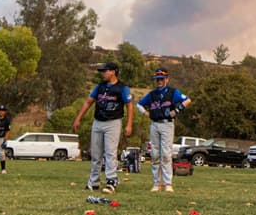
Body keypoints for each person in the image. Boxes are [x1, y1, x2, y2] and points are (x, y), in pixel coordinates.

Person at [72, 62, 133, 194]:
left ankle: (111, 181)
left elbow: (129, 105)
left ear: (113, 72)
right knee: (96, 153)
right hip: (98, 122)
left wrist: (129, 124)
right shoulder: (100, 87)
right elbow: (89, 102)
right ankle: (94, 182)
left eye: (105, 71)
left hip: (113, 122)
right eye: (102, 71)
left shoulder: (122, 88)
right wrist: (78, 118)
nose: (103, 73)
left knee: (110, 152)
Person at [137, 68, 192, 193]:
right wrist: (145, 112)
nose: (159, 81)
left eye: (162, 79)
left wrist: (176, 110)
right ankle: (156, 183)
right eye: (157, 79)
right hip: (155, 124)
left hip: (167, 124)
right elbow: (139, 104)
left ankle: (168, 183)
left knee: (166, 154)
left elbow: (187, 100)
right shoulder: (152, 94)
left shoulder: (172, 92)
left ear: (167, 79)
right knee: (155, 154)